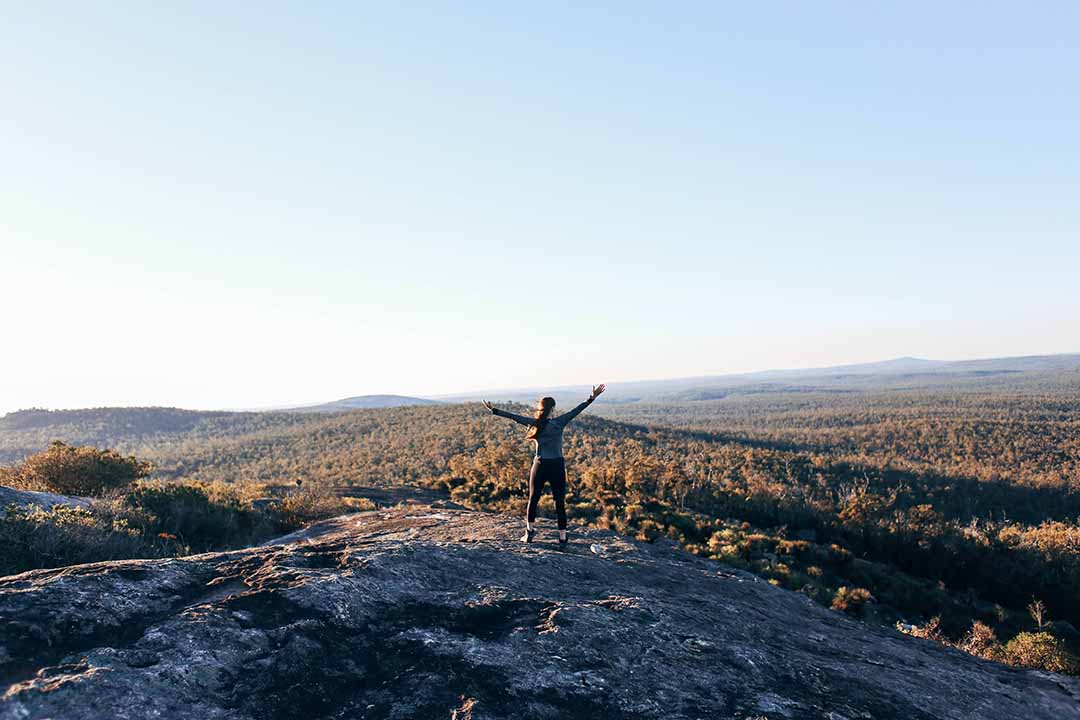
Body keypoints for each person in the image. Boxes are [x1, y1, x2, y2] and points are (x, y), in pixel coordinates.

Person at [483, 384, 606, 546]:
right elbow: (576, 411)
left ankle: (529, 533)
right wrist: (592, 398)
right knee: (560, 502)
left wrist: (495, 410)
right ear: (552, 409)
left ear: (541, 409)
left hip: (540, 465)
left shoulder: (535, 423)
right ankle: (562, 539)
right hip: (557, 466)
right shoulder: (560, 422)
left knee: (533, 499)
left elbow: (515, 417)